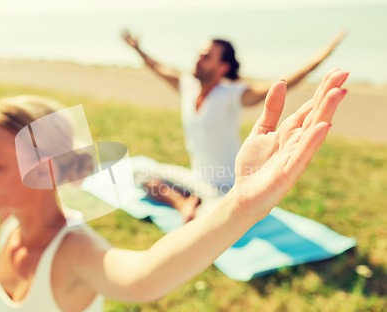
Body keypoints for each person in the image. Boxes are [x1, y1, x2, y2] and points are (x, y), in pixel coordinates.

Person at [0, 50, 348, 312]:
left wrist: (241, 205)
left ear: (45, 172)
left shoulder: (72, 251)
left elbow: (145, 275)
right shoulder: (9, 214)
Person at [122, 30, 346, 221]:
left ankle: (197, 206)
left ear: (223, 67)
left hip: (226, 187)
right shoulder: (188, 86)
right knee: (138, 172)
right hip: (196, 177)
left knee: (220, 217)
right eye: (199, 54)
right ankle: (184, 205)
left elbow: (280, 85)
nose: (198, 59)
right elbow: (157, 67)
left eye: (206, 56)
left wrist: (319, 59)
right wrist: (137, 49)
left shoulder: (232, 95)